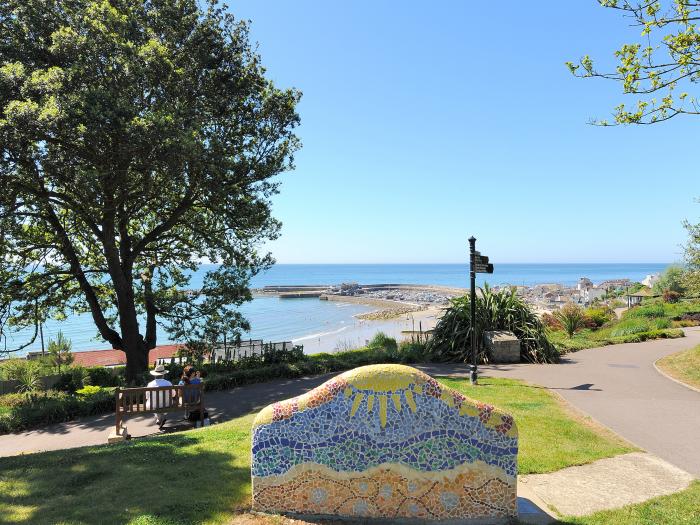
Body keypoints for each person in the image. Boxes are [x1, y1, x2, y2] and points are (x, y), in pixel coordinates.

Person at [146, 363, 172, 429]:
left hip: (153, 405)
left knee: (153, 404)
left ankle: (159, 419)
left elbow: (147, 396)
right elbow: (173, 394)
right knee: (163, 404)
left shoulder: (150, 384)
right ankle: (160, 419)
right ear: (163, 374)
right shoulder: (168, 383)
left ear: (154, 374)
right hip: (167, 405)